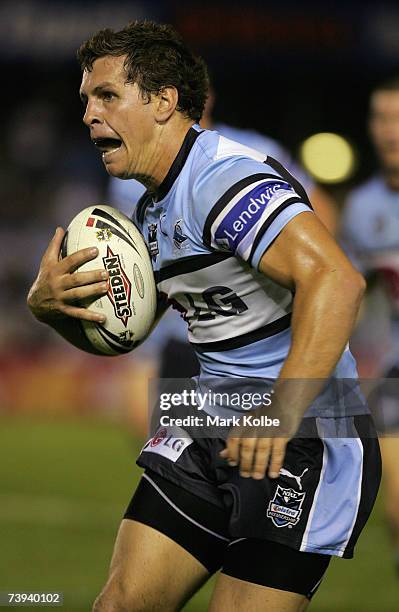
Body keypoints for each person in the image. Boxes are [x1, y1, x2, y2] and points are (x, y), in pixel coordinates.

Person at [27, 21, 381, 611]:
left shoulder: (223, 179)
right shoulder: (150, 207)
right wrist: (51, 309)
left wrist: (282, 409)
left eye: (107, 96)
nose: (89, 113)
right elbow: (123, 330)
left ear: (165, 102)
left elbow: (339, 282)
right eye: (86, 98)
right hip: (209, 412)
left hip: (306, 430)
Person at [341, 74, 399, 575]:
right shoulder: (363, 209)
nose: (391, 130)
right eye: (382, 118)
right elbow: (351, 291)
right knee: (398, 511)